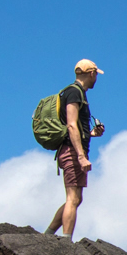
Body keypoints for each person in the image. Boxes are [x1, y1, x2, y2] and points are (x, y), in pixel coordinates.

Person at [44, 58, 106, 239]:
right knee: (72, 198)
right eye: (96, 75)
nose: (96, 79)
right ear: (91, 73)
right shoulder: (74, 93)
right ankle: (65, 240)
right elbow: (71, 125)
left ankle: (48, 235)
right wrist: (80, 156)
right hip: (72, 152)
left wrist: (92, 133)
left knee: (76, 199)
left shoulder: (77, 93)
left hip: (74, 150)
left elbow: (75, 127)